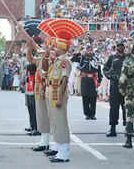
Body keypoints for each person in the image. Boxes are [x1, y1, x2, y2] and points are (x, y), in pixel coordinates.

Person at [46, 19, 84, 163]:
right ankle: (59, 149)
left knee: (61, 122)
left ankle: (64, 153)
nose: (54, 49)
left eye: (56, 47)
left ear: (62, 48)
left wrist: (61, 97)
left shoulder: (64, 61)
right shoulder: (57, 60)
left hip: (58, 93)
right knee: (55, 122)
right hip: (52, 92)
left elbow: (64, 80)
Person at [103, 41, 126, 137]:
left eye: (121, 46)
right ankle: (113, 129)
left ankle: (129, 129)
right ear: (116, 47)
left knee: (127, 108)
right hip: (115, 85)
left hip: (126, 85)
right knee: (114, 108)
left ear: (124, 47)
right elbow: (105, 69)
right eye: (118, 46)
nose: (120, 48)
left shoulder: (127, 57)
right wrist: (110, 76)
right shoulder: (112, 58)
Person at [79, 47, 102, 120]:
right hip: (85, 80)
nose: (89, 53)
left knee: (93, 98)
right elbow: (80, 67)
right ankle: (87, 114)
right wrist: (83, 57)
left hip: (93, 80)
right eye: (88, 51)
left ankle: (92, 114)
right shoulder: (83, 59)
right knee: (85, 97)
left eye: (90, 51)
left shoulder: (96, 60)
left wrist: (99, 80)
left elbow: (98, 70)